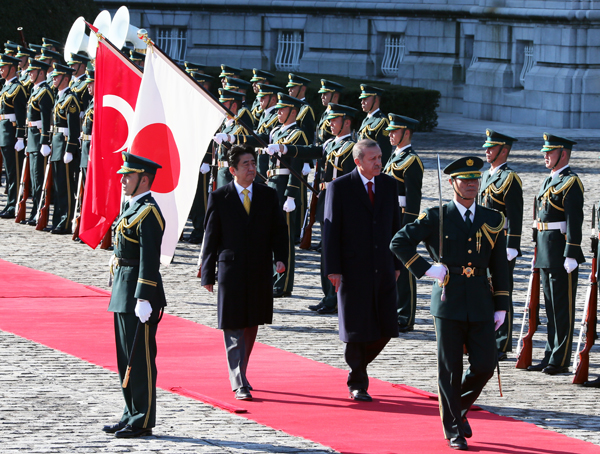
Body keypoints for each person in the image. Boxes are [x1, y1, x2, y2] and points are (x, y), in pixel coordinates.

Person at [390, 156, 509, 450]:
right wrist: (427, 269)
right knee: (450, 368)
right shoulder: (436, 215)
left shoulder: (492, 218)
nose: (471, 184)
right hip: (449, 298)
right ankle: (453, 426)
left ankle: (459, 408)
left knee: (485, 365)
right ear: (452, 183)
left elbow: (500, 264)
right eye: (465, 179)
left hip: (481, 298)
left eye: (474, 179)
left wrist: (502, 304)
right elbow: (399, 242)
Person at [201, 144, 288, 400]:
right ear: (233, 170)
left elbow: (278, 231)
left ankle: (243, 371)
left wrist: (281, 258)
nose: (252, 168)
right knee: (232, 323)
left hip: (260, 267)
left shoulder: (268, 195)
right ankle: (238, 380)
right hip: (231, 269)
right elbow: (211, 236)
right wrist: (207, 273)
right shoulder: (220, 197)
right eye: (246, 164)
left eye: (253, 163)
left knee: (252, 322)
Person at [323, 138, 401, 402]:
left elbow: (396, 229)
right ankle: (358, 382)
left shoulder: (390, 185)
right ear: (358, 161)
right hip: (352, 269)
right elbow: (330, 230)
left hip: (384, 267)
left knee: (387, 325)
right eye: (373, 159)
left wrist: (398, 263)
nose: (379, 162)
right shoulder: (340, 187)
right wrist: (333, 268)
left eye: (380, 157)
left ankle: (358, 366)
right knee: (356, 328)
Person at [104, 152, 166, 438]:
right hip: (122, 289)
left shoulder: (148, 212)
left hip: (138, 295)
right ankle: (130, 412)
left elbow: (149, 259)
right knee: (124, 358)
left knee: (139, 361)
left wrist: (143, 297)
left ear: (144, 179)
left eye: (128, 176)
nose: (123, 180)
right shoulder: (131, 206)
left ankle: (143, 419)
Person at [528, 134, 584, 375]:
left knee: (563, 308)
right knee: (550, 308)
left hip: (561, 252)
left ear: (564, 154)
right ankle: (550, 353)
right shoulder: (548, 181)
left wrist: (572, 252)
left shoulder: (571, 182)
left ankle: (560, 359)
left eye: (549, 152)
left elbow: (574, 220)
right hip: (546, 250)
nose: (545, 156)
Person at [478, 129, 523, 360]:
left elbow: (515, 214)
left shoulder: (510, 178)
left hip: (501, 242)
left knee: (501, 291)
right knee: (485, 290)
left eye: (491, 147)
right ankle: (487, 338)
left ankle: (501, 343)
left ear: (504, 151)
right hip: (483, 242)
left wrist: (512, 244)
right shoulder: (486, 175)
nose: (487, 150)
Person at [383, 114, 423, 332]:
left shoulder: (411, 161)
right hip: (390, 216)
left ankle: (405, 315)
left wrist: (409, 230)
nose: (390, 134)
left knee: (405, 268)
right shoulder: (394, 157)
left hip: (402, 218)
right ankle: (393, 309)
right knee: (391, 266)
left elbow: (413, 200)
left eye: (395, 131)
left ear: (406, 133)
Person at [46, 63, 80, 234]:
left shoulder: (70, 99)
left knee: (66, 187)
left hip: (65, 145)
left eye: (57, 77)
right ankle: (58, 219)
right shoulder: (59, 96)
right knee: (58, 186)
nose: (53, 79)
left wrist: (70, 149)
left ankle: (66, 222)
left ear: (66, 79)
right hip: (57, 144)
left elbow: (73, 127)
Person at [23, 59, 53, 225]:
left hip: (39, 138)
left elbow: (46, 119)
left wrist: (44, 141)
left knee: (39, 178)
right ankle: (34, 210)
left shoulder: (44, 93)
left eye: (32, 72)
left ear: (41, 73)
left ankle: (39, 211)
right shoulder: (36, 91)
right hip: (32, 137)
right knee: (34, 180)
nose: (29, 74)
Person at [0, 53, 27, 219]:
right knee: (8, 173)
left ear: (12, 68)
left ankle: (14, 204)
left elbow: (21, 115)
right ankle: (10, 203)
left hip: (12, 133)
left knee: (14, 173)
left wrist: (20, 137)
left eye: (3, 67)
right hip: (4, 133)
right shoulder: (5, 86)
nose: (1, 70)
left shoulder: (18, 88)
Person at [357, 84, 392, 165]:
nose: (362, 102)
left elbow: (385, 151)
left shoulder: (382, 121)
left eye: (365, 99)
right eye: (362, 99)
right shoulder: (366, 119)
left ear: (375, 100)